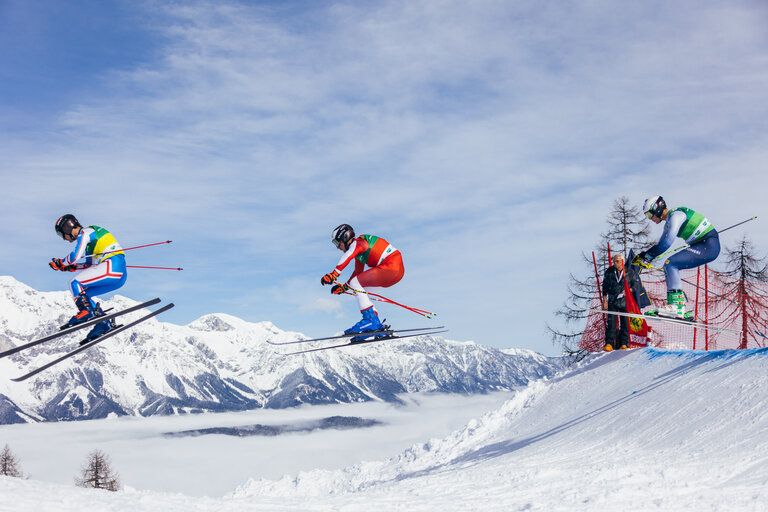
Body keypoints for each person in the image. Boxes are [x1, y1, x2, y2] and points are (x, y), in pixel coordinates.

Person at [633, 196, 720, 319]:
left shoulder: (676, 215)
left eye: (649, 215)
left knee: (671, 264)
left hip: (708, 245)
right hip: (704, 244)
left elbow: (667, 242)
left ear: (657, 209)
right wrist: (646, 256)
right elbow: (661, 243)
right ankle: (676, 307)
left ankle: (676, 307)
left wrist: (648, 256)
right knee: (669, 265)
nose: (650, 219)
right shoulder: (669, 221)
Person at [50, 214, 127, 342]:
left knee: (74, 283)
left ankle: (86, 311)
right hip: (117, 273)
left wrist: (61, 263)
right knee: (84, 293)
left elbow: (75, 255)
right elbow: (90, 266)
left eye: (61, 234)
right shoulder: (90, 244)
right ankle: (103, 323)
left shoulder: (86, 232)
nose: (63, 239)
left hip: (112, 265)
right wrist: (69, 267)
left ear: (67, 228)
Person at [320, 224, 404, 336]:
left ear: (344, 238)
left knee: (356, 283)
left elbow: (348, 256)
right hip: (395, 271)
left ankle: (370, 320)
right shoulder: (360, 250)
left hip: (390, 267)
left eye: (336, 243)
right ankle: (376, 324)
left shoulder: (358, 243)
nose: (337, 247)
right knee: (359, 286)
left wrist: (334, 274)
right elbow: (358, 273)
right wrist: (344, 287)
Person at [602, 253, 629, 351]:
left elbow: (635, 285)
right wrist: (604, 299)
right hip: (612, 300)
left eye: (617, 261)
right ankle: (609, 343)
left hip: (624, 301)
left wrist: (628, 290)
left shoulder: (629, 271)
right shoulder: (609, 271)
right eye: (614, 261)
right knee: (611, 323)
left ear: (622, 261)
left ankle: (624, 343)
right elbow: (604, 286)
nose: (615, 263)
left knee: (625, 323)